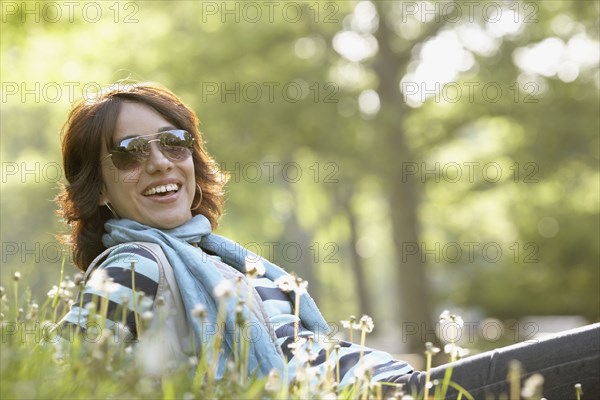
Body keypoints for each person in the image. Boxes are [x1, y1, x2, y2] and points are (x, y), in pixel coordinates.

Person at [56, 82, 599, 398]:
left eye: (173, 143)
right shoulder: (135, 263)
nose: (158, 162)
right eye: (129, 152)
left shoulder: (224, 260)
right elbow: (63, 370)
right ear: (97, 185)